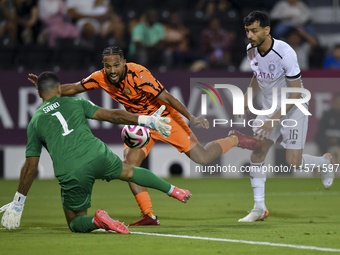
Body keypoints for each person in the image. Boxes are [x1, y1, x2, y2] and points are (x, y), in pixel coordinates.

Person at [28, 46, 262, 226]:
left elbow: (167, 97)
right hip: (140, 125)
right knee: (130, 165)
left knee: (201, 157)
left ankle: (235, 139)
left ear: (124, 63)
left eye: (116, 65)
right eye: (107, 66)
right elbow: (73, 88)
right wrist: (48, 88)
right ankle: (149, 214)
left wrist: (191, 117)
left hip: (165, 118)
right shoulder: (99, 77)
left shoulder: (139, 74)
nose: (111, 71)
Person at [0, 71, 192, 232]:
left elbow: (31, 167)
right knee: (130, 171)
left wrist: (18, 202)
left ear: (39, 93)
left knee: (74, 222)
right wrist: (146, 120)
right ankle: (173, 190)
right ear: (60, 89)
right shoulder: (76, 103)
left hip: (71, 170)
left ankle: (97, 221)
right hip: (98, 154)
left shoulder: (35, 121)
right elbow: (113, 115)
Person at [239, 11, 334, 222]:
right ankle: (259, 208)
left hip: (294, 107)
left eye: (254, 31)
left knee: (294, 162)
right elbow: (257, 74)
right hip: (269, 108)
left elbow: (296, 93)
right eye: (247, 31)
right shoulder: (251, 50)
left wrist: (274, 118)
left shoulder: (285, 53)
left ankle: (324, 162)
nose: (250, 36)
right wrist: (247, 96)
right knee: (257, 152)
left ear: (267, 30)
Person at [315, 94, 340, 166]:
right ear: (333, 102)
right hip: (326, 145)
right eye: (337, 103)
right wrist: (329, 140)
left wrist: (337, 140)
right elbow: (318, 136)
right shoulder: (326, 115)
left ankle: (337, 172)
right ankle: (321, 172)